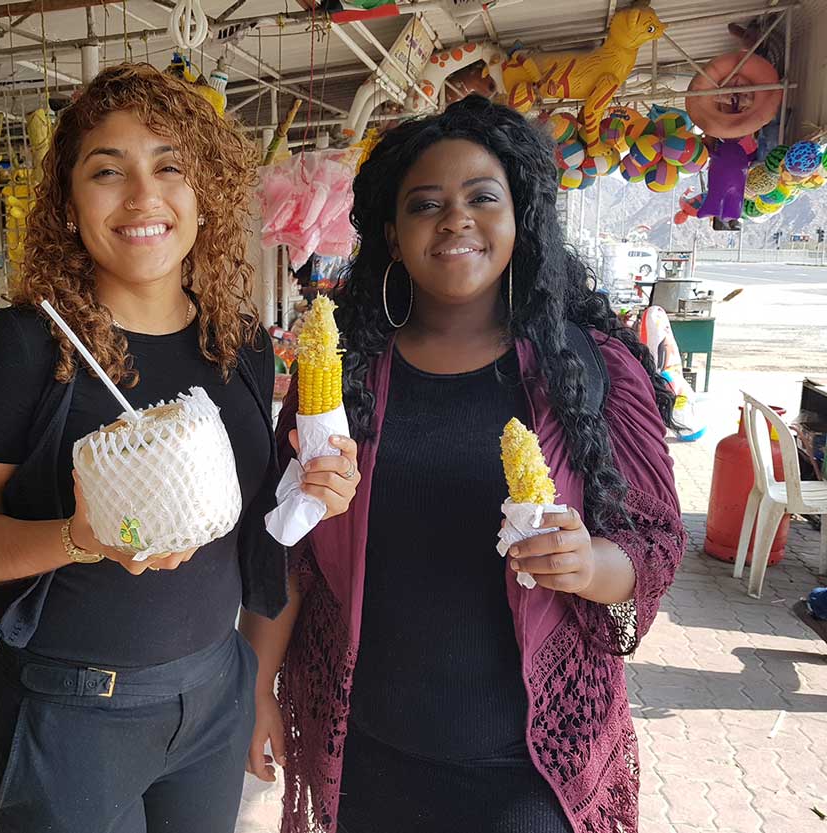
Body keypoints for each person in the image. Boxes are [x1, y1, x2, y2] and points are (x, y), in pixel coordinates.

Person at [0, 63, 359, 833]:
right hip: (71, 714)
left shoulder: (238, 343)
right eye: (107, 171)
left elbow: (252, 530)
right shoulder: (22, 349)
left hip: (214, 695)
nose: (143, 197)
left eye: (170, 167)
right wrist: (76, 537)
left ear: (205, 194)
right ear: (66, 201)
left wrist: (312, 492)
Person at [240, 96, 687, 833]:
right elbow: (287, 551)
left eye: (483, 196)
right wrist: (258, 684)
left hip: (526, 771)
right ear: (392, 230)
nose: (455, 219)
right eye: (426, 204)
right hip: (368, 754)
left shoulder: (587, 368)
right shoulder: (342, 379)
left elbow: (656, 543)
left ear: (521, 216)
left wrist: (589, 562)